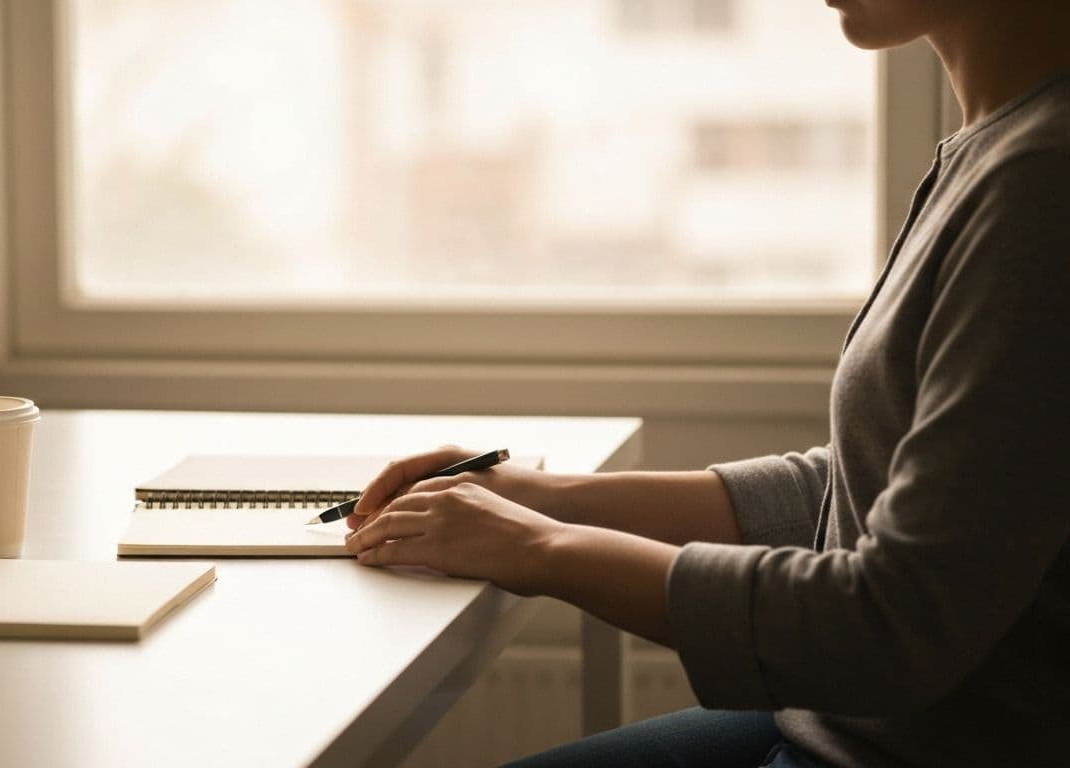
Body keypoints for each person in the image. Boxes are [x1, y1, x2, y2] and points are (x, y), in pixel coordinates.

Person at [342, 1, 1070, 765]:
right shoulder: (1000, 147)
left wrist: (544, 548)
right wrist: (542, 498)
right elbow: (877, 482)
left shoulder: (1042, 184)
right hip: (838, 727)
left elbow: (894, 628)